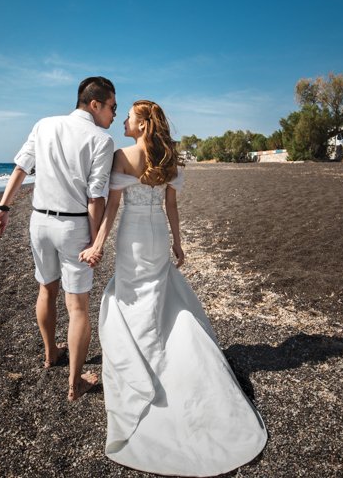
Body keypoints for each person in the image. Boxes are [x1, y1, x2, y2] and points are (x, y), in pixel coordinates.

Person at [80, 100, 266, 476]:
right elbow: (172, 207)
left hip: (133, 237)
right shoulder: (169, 158)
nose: (124, 121)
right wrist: (178, 243)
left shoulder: (122, 156)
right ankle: (168, 355)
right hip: (157, 236)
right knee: (158, 296)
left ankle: (144, 366)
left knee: (130, 298)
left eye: (129, 117)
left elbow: (113, 207)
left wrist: (97, 244)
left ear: (142, 124)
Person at [0, 77, 116, 401]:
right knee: (78, 306)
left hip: (39, 222)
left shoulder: (43, 124)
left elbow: (21, 168)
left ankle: (51, 354)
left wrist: (3, 207)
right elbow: (96, 196)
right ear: (95, 104)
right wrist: (95, 242)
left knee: (46, 289)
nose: (114, 115)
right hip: (74, 226)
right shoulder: (102, 140)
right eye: (112, 107)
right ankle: (75, 383)